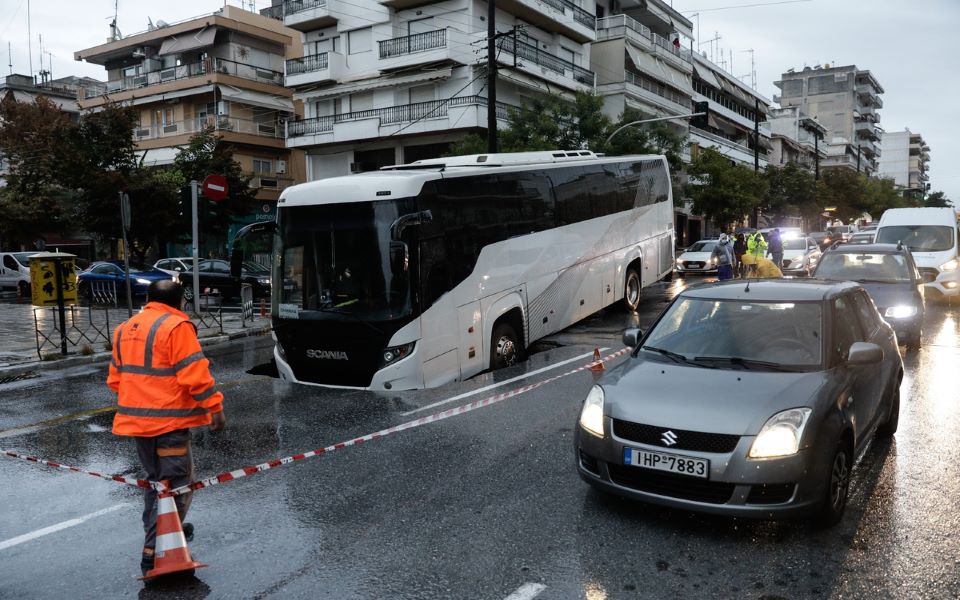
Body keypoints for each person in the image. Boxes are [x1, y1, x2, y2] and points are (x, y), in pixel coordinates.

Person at [107, 280, 226, 577]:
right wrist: (215, 408)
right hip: (169, 423)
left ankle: (169, 529)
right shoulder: (176, 326)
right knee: (176, 484)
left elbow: (115, 380)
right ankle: (154, 547)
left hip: (139, 424)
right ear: (181, 301)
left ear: (148, 299)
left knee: (156, 482)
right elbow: (194, 374)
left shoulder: (125, 329)